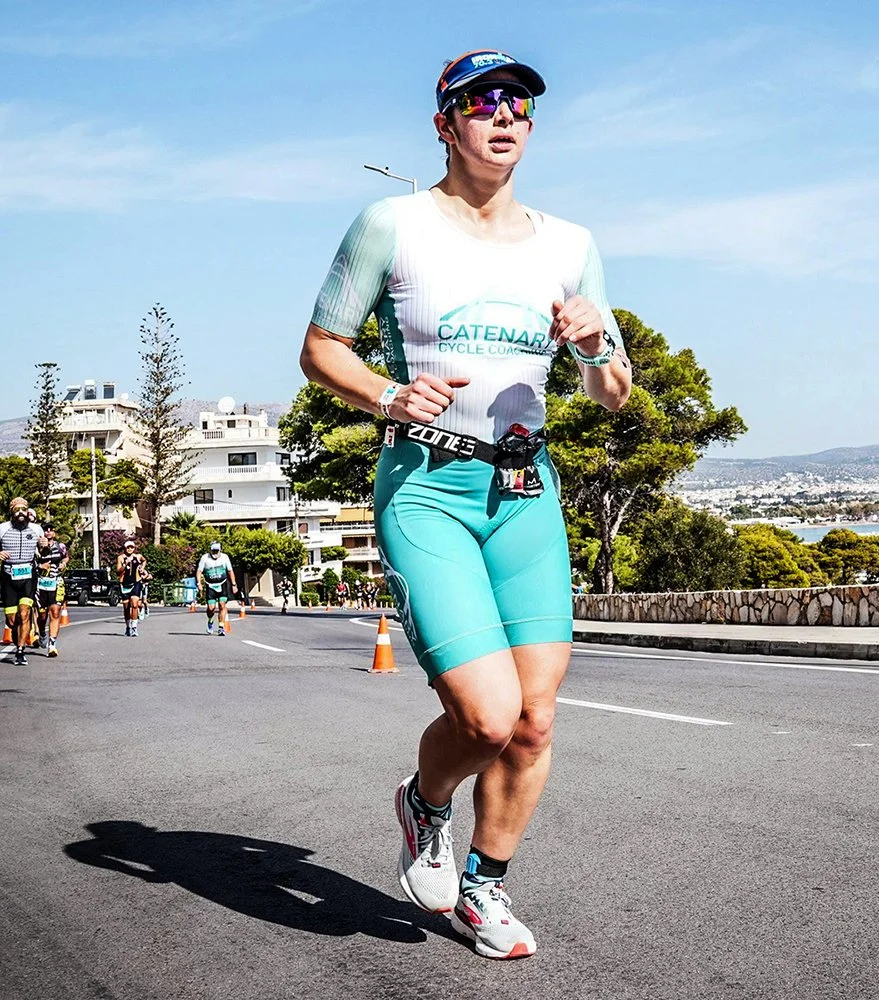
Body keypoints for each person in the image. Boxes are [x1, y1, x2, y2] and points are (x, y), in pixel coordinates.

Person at [299, 49, 631, 959]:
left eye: (518, 101)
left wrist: (596, 345)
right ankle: (424, 802)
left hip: (526, 493)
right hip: (428, 489)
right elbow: (321, 349)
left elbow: (613, 393)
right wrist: (386, 395)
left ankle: (485, 888)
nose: (504, 114)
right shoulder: (391, 224)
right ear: (445, 124)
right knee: (485, 718)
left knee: (534, 721)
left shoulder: (570, 245)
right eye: (481, 102)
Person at [0, 498, 46, 665]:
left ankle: (20, 651)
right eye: (17, 509)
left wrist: (45, 546)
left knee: (25, 613)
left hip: (28, 576)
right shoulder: (2, 528)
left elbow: (43, 552)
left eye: (24, 509)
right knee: (12, 620)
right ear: (11, 512)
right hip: (8, 577)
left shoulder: (36, 529)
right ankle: (17, 638)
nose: (21, 512)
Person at [36, 522, 70, 657]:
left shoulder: (60, 546)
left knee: (55, 612)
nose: (48, 532)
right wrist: (40, 566)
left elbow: (66, 557)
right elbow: (29, 561)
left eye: (51, 530)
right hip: (41, 583)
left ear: (54, 533)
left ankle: (52, 645)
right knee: (42, 615)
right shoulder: (36, 546)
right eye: (46, 530)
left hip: (56, 581)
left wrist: (63, 563)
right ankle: (42, 633)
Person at [196, 541, 238, 636]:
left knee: (222, 605)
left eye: (217, 551)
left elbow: (230, 571)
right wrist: (199, 583)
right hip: (210, 585)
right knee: (211, 608)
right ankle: (210, 621)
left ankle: (221, 627)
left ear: (220, 550)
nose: (215, 553)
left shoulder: (225, 557)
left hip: (222, 584)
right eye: (213, 551)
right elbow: (199, 571)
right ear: (210, 550)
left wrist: (234, 584)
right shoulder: (205, 558)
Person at [116, 539, 148, 637]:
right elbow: (118, 571)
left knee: (134, 605)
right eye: (128, 547)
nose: (130, 549)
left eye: (132, 547)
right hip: (124, 584)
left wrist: (142, 568)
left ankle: (134, 627)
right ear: (125, 548)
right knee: (126, 607)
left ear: (134, 548)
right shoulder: (121, 558)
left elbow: (144, 560)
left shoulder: (137, 557)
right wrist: (125, 565)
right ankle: (128, 627)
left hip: (136, 583)